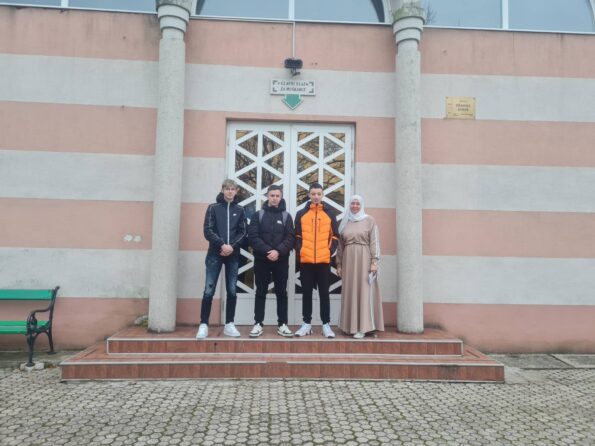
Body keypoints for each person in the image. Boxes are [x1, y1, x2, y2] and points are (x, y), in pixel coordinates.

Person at [196, 179, 247, 340]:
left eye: (233, 189)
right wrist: (222, 245)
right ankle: (204, 324)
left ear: (236, 191)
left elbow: (243, 232)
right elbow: (208, 230)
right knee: (209, 290)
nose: (230, 191)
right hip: (214, 253)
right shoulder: (213, 208)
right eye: (227, 189)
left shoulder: (240, 210)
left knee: (232, 290)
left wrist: (231, 246)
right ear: (222, 190)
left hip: (233, 254)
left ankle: (229, 324)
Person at [247, 185, 295, 337]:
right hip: (262, 260)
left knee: (281, 293)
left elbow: (290, 238)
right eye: (272, 195)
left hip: (281, 260)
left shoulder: (286, 216)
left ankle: (282, 324)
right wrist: (268, 251)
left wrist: (278, 251)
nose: (274, 198)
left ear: (281, 197)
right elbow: (253, 237)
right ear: (267, 196)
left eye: (277, 196)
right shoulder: (258, 215)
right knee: (261, 292)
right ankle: (258, 323)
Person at [294, 183, 339, 338]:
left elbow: (335, 236)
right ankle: (306, 324)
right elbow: (297, 236)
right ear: (309, 195)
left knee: (324, 293)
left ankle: (326, 325)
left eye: (318, 194)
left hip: (323, 261)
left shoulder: (330, 213)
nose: (316, 196)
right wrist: (301, 250)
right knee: (306, 292)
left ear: (322, 195)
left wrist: (328, 251)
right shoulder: (301, 214)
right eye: (313, 194)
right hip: (306, 261)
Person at [336, 195, 384, 338]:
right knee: (350, 291)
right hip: (348, 260)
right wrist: (339, 264)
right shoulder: (345, 222)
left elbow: (374, 241)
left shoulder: (369, 220)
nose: (355, 206)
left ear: (361, 205)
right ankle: (349, 326)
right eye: (352, 203)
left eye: (357, 203)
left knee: (364, 291)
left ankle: (363, 327)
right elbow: (340, 246)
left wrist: (374, 262)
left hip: (364, 259)